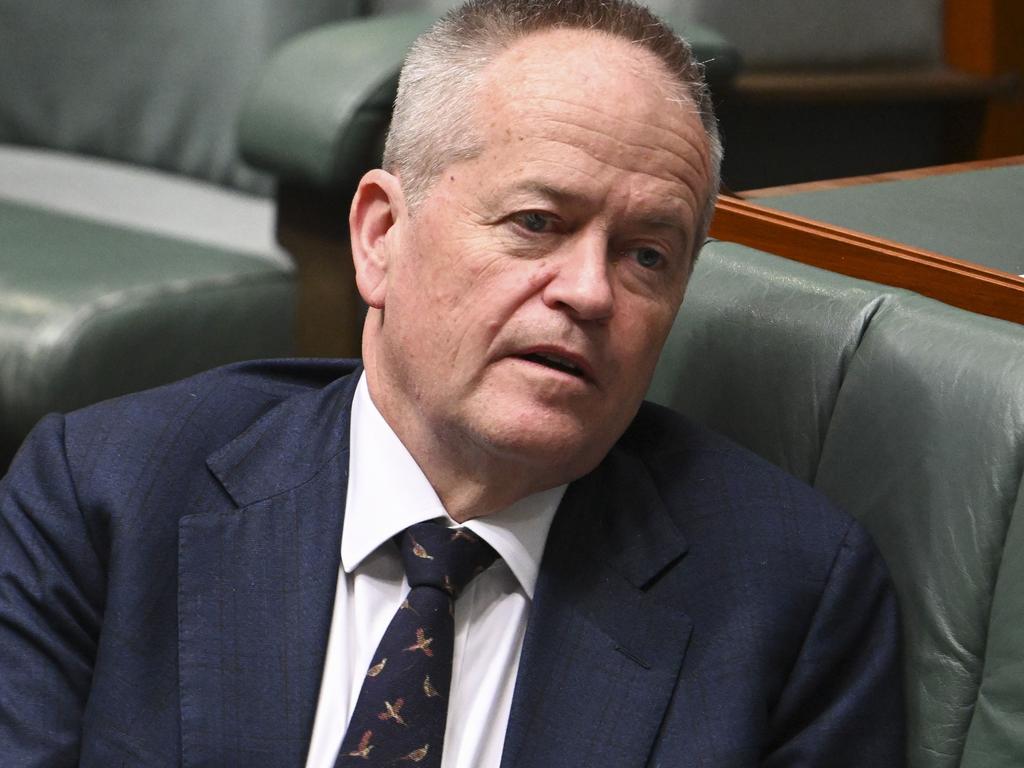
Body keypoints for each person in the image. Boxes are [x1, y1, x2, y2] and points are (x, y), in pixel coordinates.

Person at [0, 0, 903, 766]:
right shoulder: (105, 495)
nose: (590, 292)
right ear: (380, 236)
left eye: (647, 256)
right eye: (538, 222)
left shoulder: (791, 600)